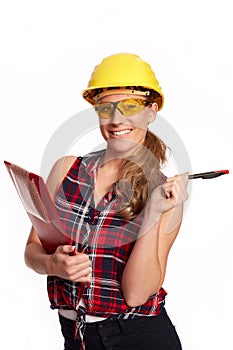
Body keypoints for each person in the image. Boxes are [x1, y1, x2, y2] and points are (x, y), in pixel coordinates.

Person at [25, 53, 189, 350]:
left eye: (130, 106)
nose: (116, 120)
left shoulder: (165, 195)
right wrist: (53, 264)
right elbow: (31, 251)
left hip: (139, 337)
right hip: (77, 338)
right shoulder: (66, 170)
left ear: (151, 112)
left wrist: (153, 213)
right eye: (105, 108)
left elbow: (137, 294)